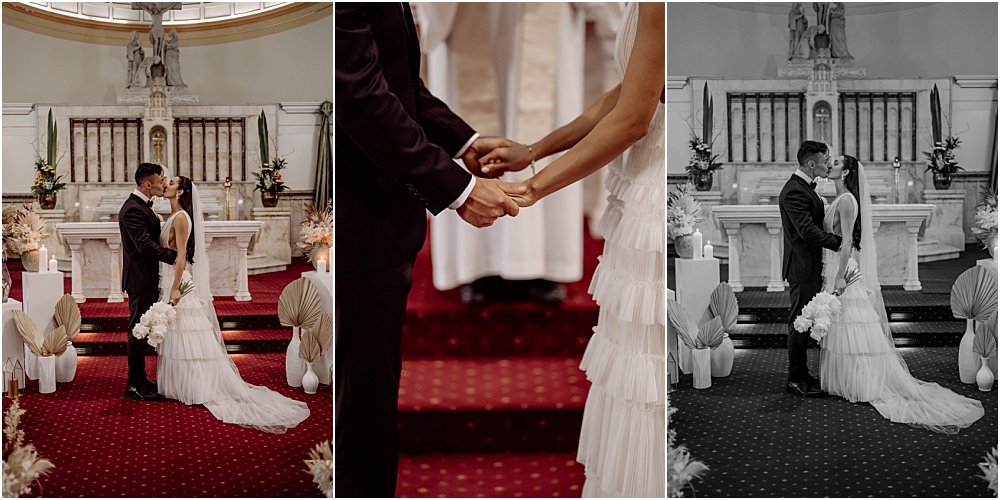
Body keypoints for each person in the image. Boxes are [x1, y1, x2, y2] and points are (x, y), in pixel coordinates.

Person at [474, 3, 664, 496]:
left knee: (644, 363)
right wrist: (535, 149)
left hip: (651, 187)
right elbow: (626, 92)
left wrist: (536, 186)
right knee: (630, 362)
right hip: (636, 187)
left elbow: (632, 121)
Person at [335, 3, 524, 496]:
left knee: (373, 397)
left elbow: (396, 81)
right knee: (362, 407)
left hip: (382, 220)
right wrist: (456, 189)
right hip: (363, 221)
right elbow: (359, 95)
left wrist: (464, 141)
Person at [819, 156, 984, 433]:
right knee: (842, 326)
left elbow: (847, 242)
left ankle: (864, 382)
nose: (830, 164)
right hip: (834, 267)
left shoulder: (847, 200)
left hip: (844, 271)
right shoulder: (837, 199)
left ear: (845, 171)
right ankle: (848, 379)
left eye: (835, 162)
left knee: (854, 325)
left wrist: (839, 277)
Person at [155, 176, 310, 433]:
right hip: (170, 278)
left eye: (171, 183)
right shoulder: (171, 217)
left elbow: (182, 256)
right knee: (178, 333)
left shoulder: (182, 218)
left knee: (189, 333)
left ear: (180, 192)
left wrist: (175, 287)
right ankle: (181, 384)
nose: (166, 185)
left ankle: (197, 385)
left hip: (179, 281)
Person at [778, 141, 843, 397]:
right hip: (802, 267)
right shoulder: (795, 190)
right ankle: (795, 378)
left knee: (805, 320)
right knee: (799, 322)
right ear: (811, 163)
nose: (829, 164)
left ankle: (802, 373)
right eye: (826, 160)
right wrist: (839, 243)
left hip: (811, 265)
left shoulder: (806, 187)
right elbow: (806, 231)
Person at [118, 163, 176, 401]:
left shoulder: (142, 206)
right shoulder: (133, 209)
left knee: (142, 328)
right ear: (147, 184)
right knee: (137, 331)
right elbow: (144, 246)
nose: (164, 184)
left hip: (147, 278)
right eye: (161, 180)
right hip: (140, 280)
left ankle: (141, 378)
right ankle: (134, 384)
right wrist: (175, 257)